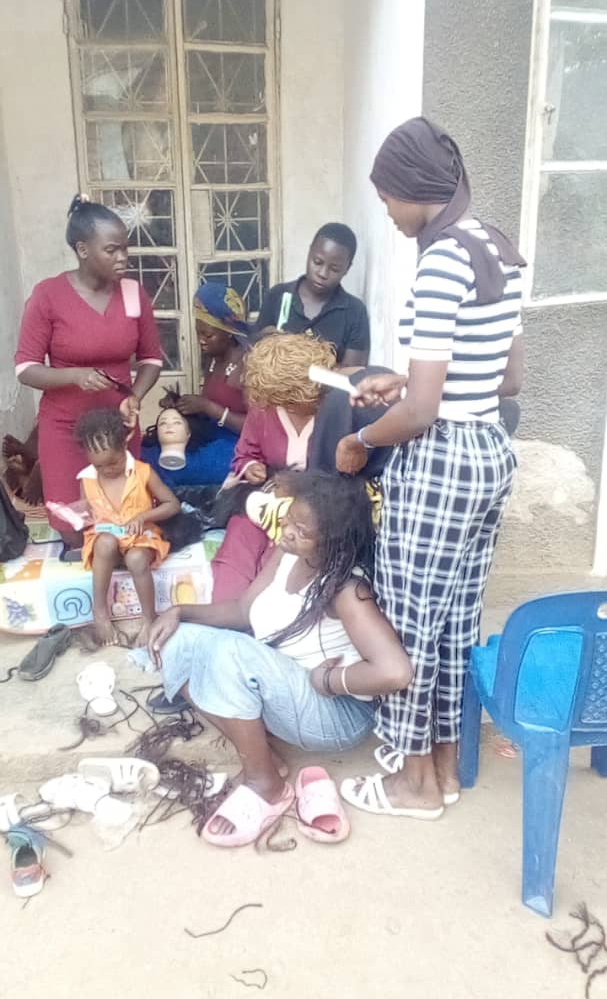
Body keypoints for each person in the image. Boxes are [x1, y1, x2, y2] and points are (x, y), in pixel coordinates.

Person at [336, 117, 525, 820]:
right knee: (452, 620)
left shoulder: (441, 258)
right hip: (486, 455)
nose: (386, 212)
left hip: (440, 458)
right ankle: (444, 767)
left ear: (413, 190)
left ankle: (412, 785)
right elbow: (503, 378)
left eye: (386, 197)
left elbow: (418, 416)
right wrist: (402, 387)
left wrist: (362, 438)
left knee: (409, 621)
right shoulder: (495, 249)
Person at [146, 471, 413, 847]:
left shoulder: (347, 590)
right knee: (176, 643)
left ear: (333, 542)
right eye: (290, 521)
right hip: (285, 692)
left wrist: (329, 682)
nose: (288, 532)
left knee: (230, 652)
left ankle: (267, 785)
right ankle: (263, 755)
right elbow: (242, 612)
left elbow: (395, 672)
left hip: (334, 713)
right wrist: (178, 611)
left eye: (302, 531)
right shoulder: (285, 555)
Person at [14, 195, 163, 545]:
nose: (123, 258)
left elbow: (151, 360)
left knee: (124, 524)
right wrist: (74, 376)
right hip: (66, 428)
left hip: (119, 430)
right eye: (111, 250)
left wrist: (135, 397)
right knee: (75, 532)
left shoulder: (132, 293)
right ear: (82, 249)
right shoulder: (48, 296)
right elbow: (26, 368)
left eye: (125, 249)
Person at [210, 331, 337, 601]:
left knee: (277, 559)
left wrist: (299, 485)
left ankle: (261, 616)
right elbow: (244, 454)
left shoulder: (337, 412)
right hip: (266, 499)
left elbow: (346, 478)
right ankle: (225, 613)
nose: (283, 406)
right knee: (239, 541)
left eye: (289, 399)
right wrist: (251, 465)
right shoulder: (264, 409)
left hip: (316, 512)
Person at [75, 408, 180, 647]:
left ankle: (149, 617)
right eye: (100, 466)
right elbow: (87, 514)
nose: (108, 470)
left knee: (135, 559)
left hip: (142, 538)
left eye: (113, 462)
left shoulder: (143, 472)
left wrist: (143, 516)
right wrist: (75, 515)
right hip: (108, 541)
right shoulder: (87, 478)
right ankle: (100, 613)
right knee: (103, 542)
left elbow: (172, 504)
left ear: (125, 445)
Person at [142, 282, 248, 487]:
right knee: (147, 453)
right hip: (211, 434)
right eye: (198, 333)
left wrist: (208, 407)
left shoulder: (248, 365)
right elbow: (210, 404)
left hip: (237, 445)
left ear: (229, 332)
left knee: (175, 467)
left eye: (208, 335)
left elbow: (258, 428)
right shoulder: (216, 358)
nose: (201, 341)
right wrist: (181, 404)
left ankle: (175, 511)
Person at [255, 223, 370, 366]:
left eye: (334, 269)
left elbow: (354, 375)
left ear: (347, 268)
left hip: (331, 389)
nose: (322, 274)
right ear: (309, 252)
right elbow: (253, 353)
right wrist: (264, 338)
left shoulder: (355, 312)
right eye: (317, 262)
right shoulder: (278, 296)